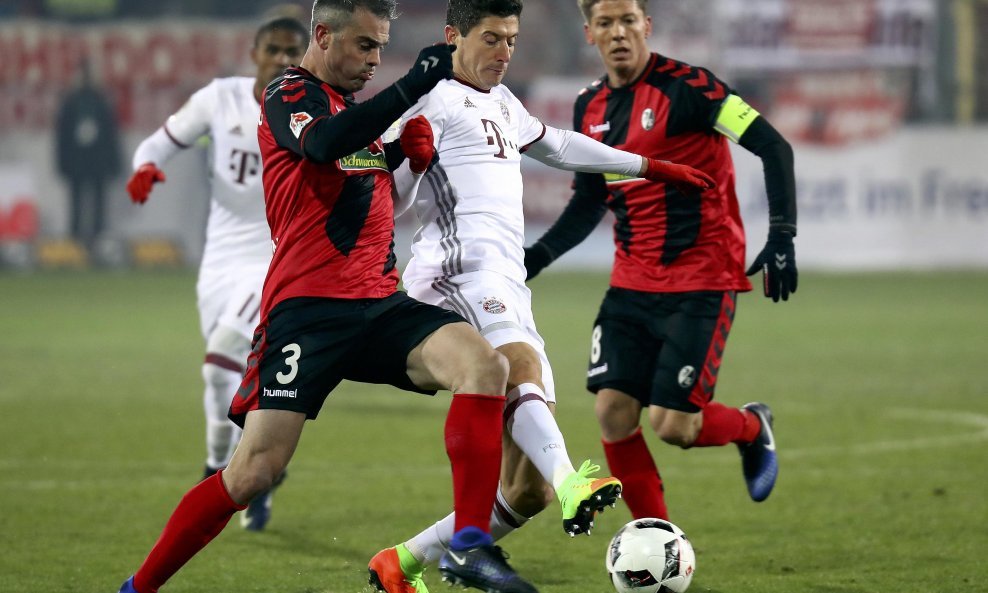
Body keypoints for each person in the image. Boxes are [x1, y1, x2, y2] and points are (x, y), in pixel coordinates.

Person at [116, 2, 538, 592]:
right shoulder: (289, 94)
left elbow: (352, 173)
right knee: (252, 473)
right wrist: (412, 86)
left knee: (483, 366)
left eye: (381, 48)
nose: (374, 61)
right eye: (364, 46)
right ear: (322, 35)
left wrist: (398, 155)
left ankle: (469, 544)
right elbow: (320, 149)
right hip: (308, 313)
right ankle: (137, 588)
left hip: (377, 303)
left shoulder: (352, 112)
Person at [367, 2, 715, 592]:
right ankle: (572, 479)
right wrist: (405, 160)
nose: (504, 51)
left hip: (505, 280)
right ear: (453, 36)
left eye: (512, 39)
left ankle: (401, 562)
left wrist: (649, 167)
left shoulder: (503, 104)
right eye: (491, 38)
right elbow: (382, 201)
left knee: (523, 490)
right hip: (456, 272)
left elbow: (559, 145)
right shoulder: (426, 101)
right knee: (515, 368)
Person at [523, 0, 797, 522]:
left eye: (628, 20)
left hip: (702, 278)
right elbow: (589, 199)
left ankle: (750, 426)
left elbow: (772, 144)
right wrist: (538, 256)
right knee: (613, 413)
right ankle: (656, 539)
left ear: (646, 25)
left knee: (674, 426)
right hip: (631, 283)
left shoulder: (692, 88)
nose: (619, 32)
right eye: (606, 23)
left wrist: (783, 231)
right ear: (590, 34)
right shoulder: (590, 108)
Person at [125, 16, 309, 533]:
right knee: (235, 383)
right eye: (273, 50)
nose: (282, 60)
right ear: (254, 52)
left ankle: (214, 471)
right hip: (219, 262)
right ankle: (261, 472)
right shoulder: (220, 99)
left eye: (292, 52)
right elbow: (160, 141)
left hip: (274, 260)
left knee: (217, 364)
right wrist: (144, 166)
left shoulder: (309, 111)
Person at [54, 58, 122, 249]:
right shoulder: (71, 102)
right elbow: (62, 136)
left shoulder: (101, 101)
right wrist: (62, 162)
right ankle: (75, 243)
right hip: (77, 161)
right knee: (76, 203)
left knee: (99, 203)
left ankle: (98, 242)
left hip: (97, 161)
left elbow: (110, 135)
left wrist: (113, 162)